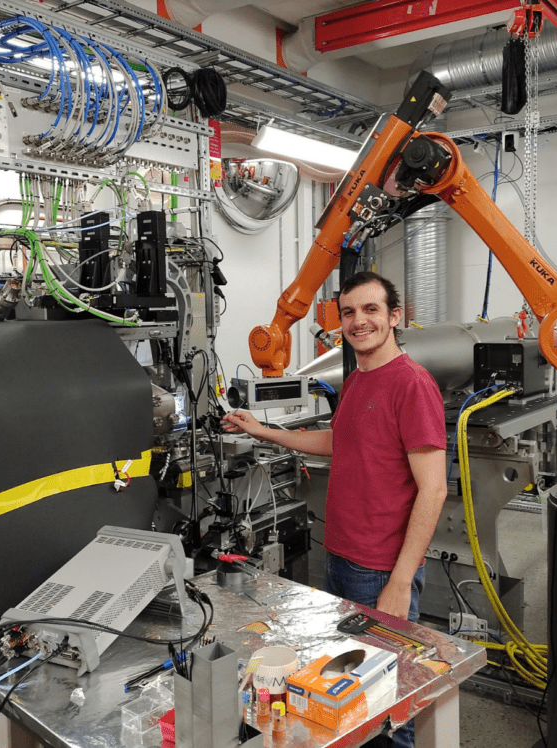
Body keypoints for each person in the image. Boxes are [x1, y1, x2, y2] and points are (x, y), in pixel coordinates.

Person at [222, 271, 447, 747]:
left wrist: (401, 582)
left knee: (389, 703)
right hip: (343, 558)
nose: (359, 321)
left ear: (394, 317)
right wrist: (264, 431)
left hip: (381, 569)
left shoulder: (411, 384)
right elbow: (338, 442)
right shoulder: (360, 380)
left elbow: (434, 491)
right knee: (349, 689)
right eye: (349, 312)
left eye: (371, 310)